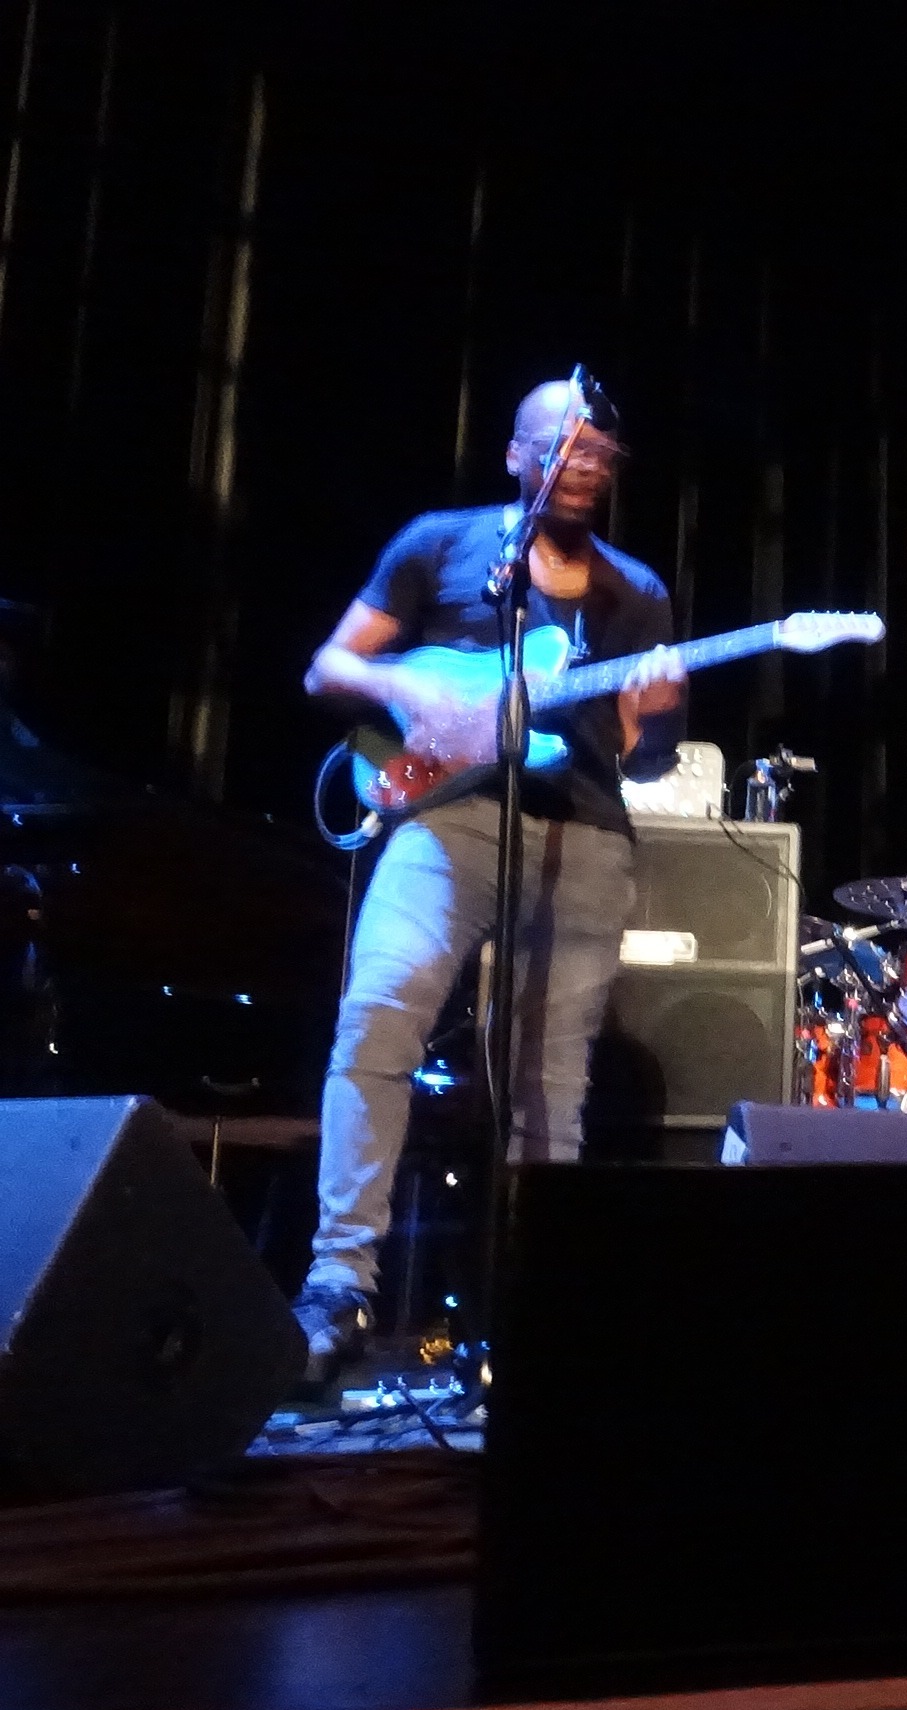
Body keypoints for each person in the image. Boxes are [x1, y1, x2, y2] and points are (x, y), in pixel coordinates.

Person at [291, 380, 685, 1385]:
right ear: (517, 454)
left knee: (550, 1085)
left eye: (600, 452)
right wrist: (409, 685)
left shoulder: (635, 592)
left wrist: (652, 714)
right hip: (444, 820)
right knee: (378, 1017)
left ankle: (531, 1314)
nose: (584, 463)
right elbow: (328, 667)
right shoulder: (441, 544)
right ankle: (337, 1287)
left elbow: (643, 759)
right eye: (564, 445)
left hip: (583, 837)